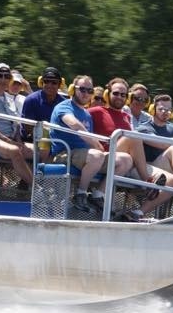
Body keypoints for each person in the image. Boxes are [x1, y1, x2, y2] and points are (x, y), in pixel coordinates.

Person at [88, 78, 173, 220]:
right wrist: (94, 145)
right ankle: (148, 184)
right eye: (116, 93)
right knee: (134, 137)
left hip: (129, 161)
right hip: (109, 155)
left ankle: (136, 213)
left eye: (123, 95)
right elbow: (80, 127)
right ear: (107, 94)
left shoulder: (126, 116)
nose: (119, 97)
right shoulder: (96, 111)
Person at [50, 74, 133, 214]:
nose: (86, 93)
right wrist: (96, 144)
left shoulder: (86, 114)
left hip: (87, 156)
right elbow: (74, 124)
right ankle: (81, 194)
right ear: (72, 89)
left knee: (125, 160)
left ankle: (98, 195)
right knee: (96, 155)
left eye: (90, 91)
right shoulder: (64, 107)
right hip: (65, 154)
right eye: (82, 89)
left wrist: (97, 148)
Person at [21, 66, 66, 137]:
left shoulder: (64, 104)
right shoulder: (31, 100)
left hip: (57, 141)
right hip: (33, 141)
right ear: (41, 83)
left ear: (59, 85)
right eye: (46, 81)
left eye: (54, 82)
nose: (49, 85)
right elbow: (28, 128)